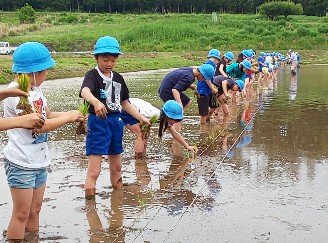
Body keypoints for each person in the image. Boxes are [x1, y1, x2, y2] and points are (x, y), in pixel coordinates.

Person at [3, 42, 84, 242]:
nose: (46, 74)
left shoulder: (36, 90)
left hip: (39, 160)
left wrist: (72, 115)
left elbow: (47, 115)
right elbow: (39, 125)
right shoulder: (17, 93)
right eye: (46, 70)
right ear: (34, 72)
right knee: (21, 213)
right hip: (21, 161)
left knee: (35, 210)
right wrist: (67, 119)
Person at [80, 36, 150, 200]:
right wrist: (96, 102)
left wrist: (140, 118)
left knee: (117, 168)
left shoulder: (118, 78)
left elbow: (124, 102)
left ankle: (117, 202)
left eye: (113, 60)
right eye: (105, 60)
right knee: (94, 171)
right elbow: (85, 91)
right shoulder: (92, 75)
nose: (109, 63)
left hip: (116, 122)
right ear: (96, 58)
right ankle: (90, 205)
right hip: (98, 123)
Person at [158, 63, 214, 130]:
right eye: (204, 78)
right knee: (178, 111)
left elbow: (178, 79)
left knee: (187, 102)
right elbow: (175, 90)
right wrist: (179, 105)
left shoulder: (190, 70)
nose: (203, 80)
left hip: (164, 88)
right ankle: (176, 130)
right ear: (202, 74)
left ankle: (171, 123)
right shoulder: (190, 78)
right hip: (167, 91)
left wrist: (190, 85)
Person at [196, 49, 219, 124]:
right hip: (203, 90)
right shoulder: (209, 65)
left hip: (207, 89)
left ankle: (207, 120)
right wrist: (212, 88)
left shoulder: (210, 65)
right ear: (216, 59)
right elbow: (207, 78)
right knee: (203, 113)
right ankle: (203, 130)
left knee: (214, 105)